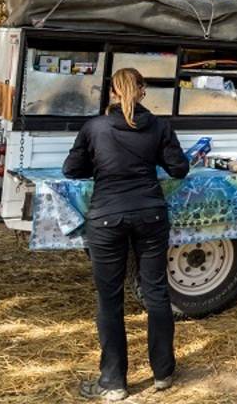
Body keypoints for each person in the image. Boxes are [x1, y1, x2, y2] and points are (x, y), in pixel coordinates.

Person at [63, 68, 190, 400]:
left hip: (106, 217)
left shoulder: (94, 127)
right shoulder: (159, 126)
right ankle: (163, 374)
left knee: (110, 299)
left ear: (112, 93)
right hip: (151, 213)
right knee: (157, 293)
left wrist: (103, 164)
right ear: (143, 91)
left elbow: (71, 169)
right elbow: (179, 168)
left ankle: (113, 382)